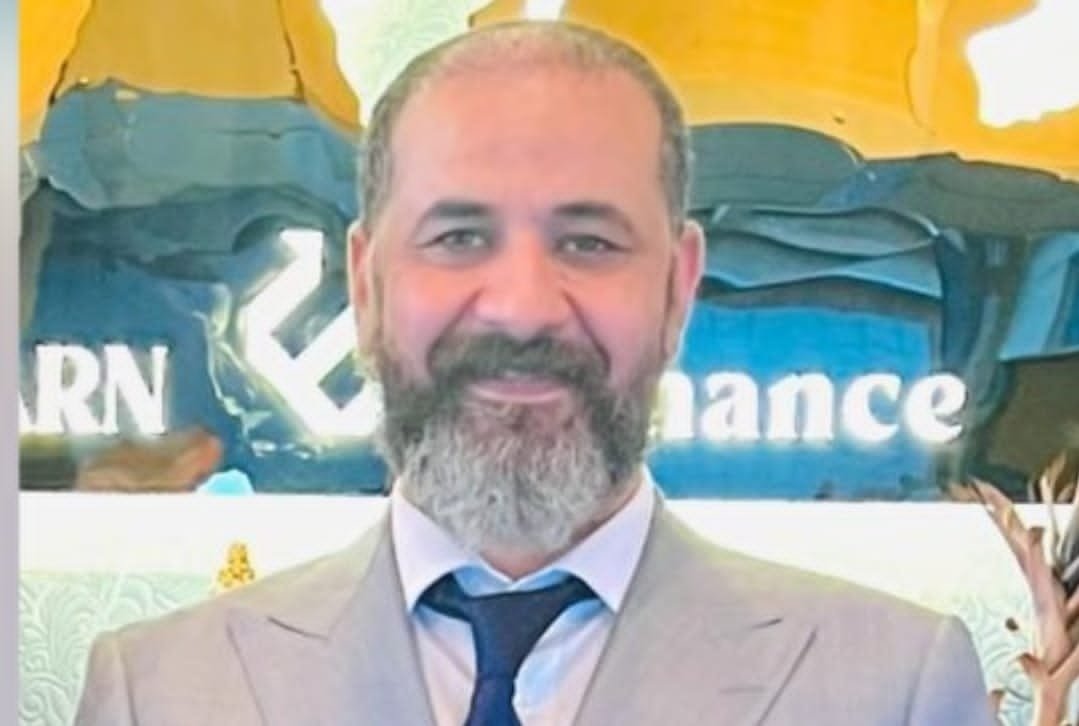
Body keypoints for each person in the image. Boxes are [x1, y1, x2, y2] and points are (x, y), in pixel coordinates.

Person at [74, 21, 996, 725]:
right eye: (458, 236)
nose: (521, 307)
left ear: (677, 288)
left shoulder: (894, 690)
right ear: (365, 283)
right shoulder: (158, 693)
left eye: (588, 241)